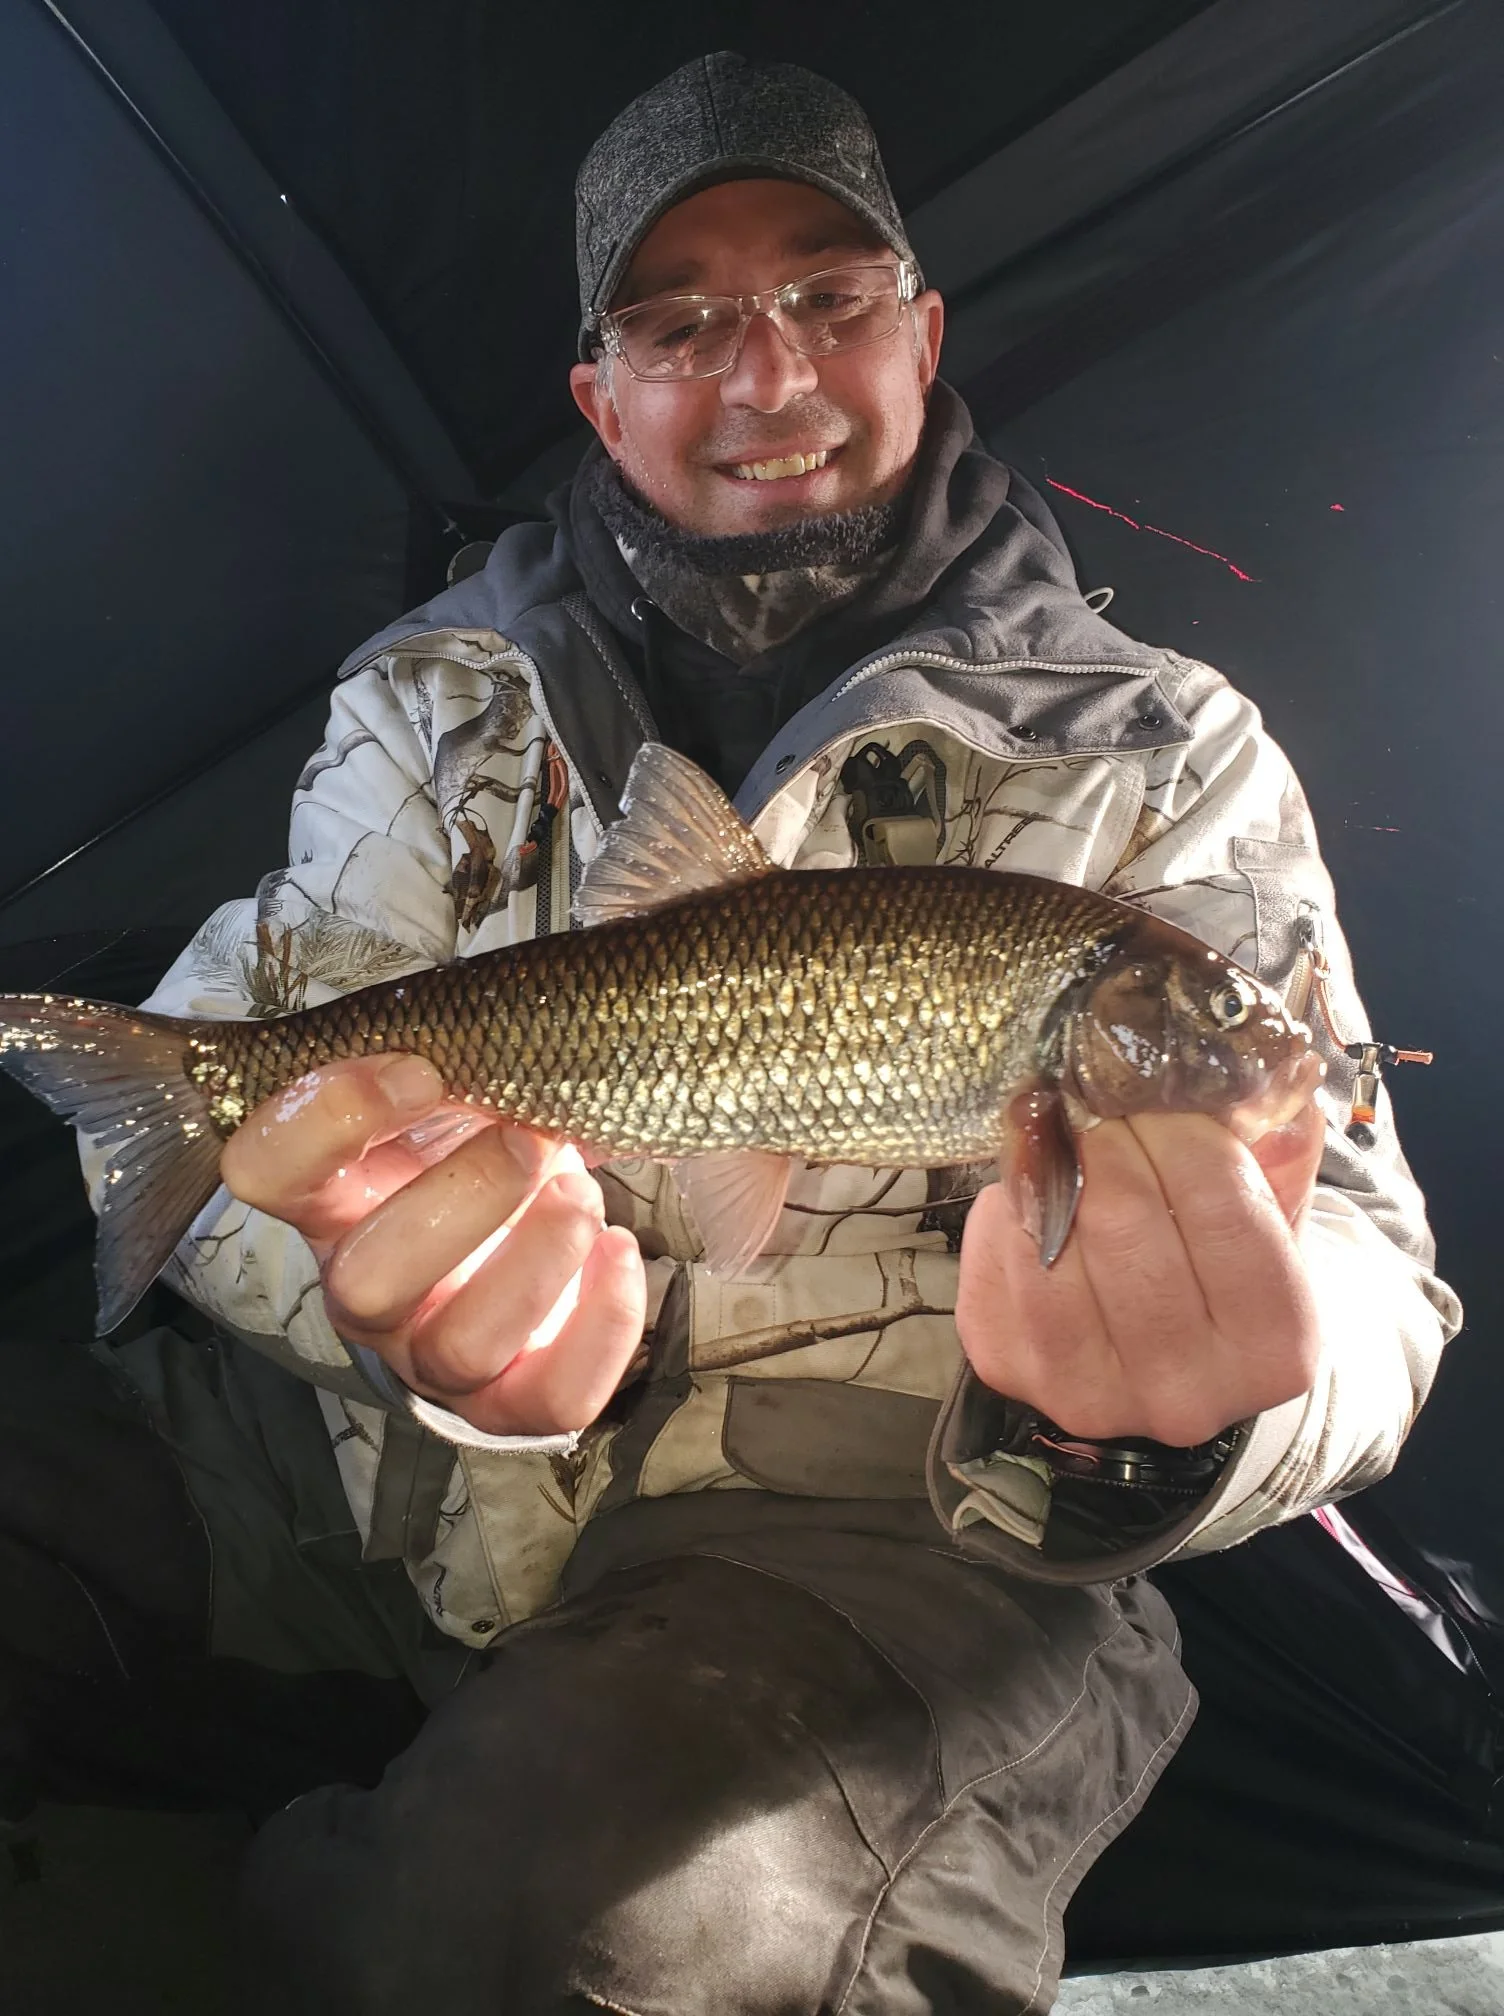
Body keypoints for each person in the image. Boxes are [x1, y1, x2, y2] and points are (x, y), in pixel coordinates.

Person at [13, 51, 1461, 2013]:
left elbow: (1369, 1269)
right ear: (597, 396)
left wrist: (1204, 1412)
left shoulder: (1158, 746)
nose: (764, 376)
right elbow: (250, 1082)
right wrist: (356, 1289)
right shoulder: (429, 700)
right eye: (680, 323)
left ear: (919, 333)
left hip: (884, 1530)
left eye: (824, 299)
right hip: (352, 1485)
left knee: (590, 1919)